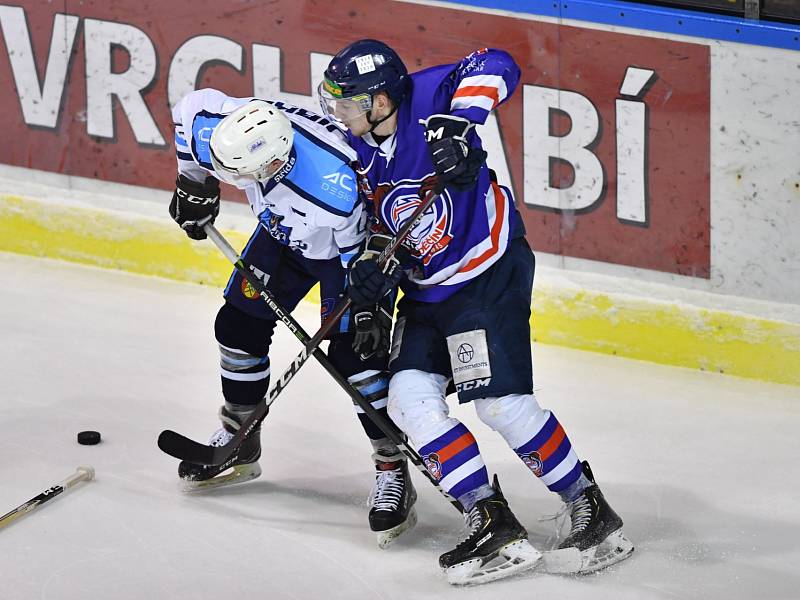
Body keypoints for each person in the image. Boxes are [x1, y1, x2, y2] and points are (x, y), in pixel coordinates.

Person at [319, 40, 634, 584]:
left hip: (486, 273)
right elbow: (379, 224)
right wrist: (372, 275)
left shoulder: (427, 95)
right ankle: (489, 519)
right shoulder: (358, 149)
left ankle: (592, 509)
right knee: (409, 400)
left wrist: (459, 125)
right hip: (425, 292)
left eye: (348, 102)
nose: (338, 112)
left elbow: (497, 61)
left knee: (499, 404)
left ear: (381, 99)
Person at [168, 88, 416, 547]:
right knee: (237, 326)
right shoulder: (223, 129)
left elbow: (361, 256)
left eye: (238, 176)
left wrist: (367, 306)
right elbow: (187, 110)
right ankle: (239, 435)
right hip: (283, 235)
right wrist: (193, 182)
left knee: (355, 357)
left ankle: (391, 463)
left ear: (275, 164)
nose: (232, 181)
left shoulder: (334, 187)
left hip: (342, 253)